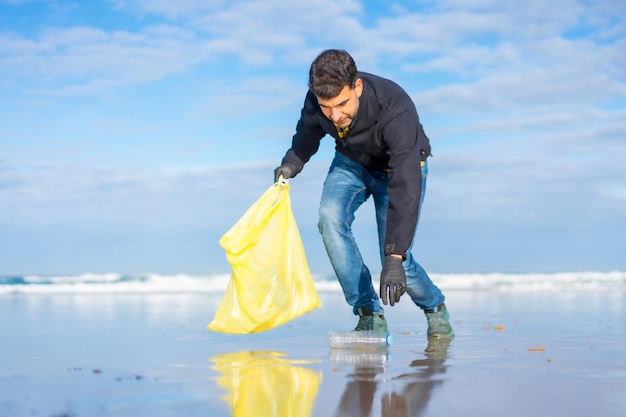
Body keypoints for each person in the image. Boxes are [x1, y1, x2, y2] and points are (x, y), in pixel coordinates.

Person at [274, 49, 453, 339]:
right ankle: (369, 313)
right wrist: (293, 161)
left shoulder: (395, 108)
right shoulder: (317, 99)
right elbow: (308, 131)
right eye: (326, 107)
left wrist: (394, 255)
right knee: (329, 219)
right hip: (352, 161)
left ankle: (435, 307)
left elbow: (406, 185)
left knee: (398, 264)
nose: (335, 115)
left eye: (342, 104)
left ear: (357, 86)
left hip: (399, 169)